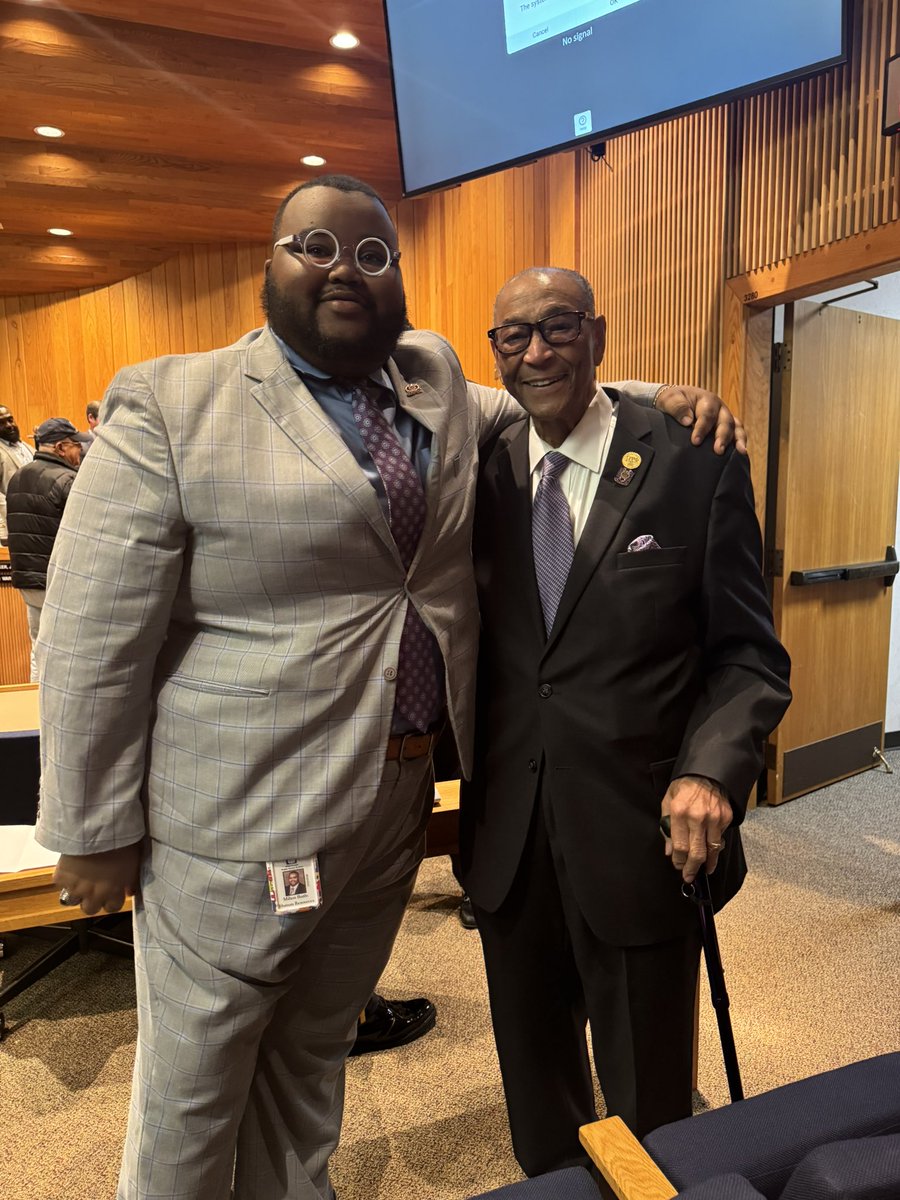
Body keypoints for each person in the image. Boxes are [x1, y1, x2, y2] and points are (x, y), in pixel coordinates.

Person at [35, 175, 740, 1200]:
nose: (342, 270)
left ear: (397, 278)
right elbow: (92, 633)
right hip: (236, 819)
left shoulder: (435, 377)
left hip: (392, 809)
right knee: (194, 1093)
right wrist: (90, 827)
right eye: (312, 247)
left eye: (371, 254)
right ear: (267, 264)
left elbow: (554, 399)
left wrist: (660, 397)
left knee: (313, 1061)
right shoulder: (171, 402)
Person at [459, 267, 792, 1177]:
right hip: (508, 845)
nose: (536, 351)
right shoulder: (481, 476)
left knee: (653, 1112)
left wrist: (712, 769)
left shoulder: (693, 458)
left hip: (642, 835)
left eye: (559, 326)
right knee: (538, 1103)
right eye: (513, 336)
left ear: (598, 333)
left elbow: (749, 654)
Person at [7, 417, 83, 680]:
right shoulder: (69, 480)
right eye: (75, 445)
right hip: (60, 582)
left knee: (39, 648)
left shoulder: (17, 477)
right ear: (61, 448)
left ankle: (35, 711)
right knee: (68, 653)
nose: (80, 451)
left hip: (29, 581)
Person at [0, 404, 35, 545]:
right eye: (1, 423)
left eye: (10, 420)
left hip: (36, 521)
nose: (9, 425)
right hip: (15, 525)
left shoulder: (26, 447)